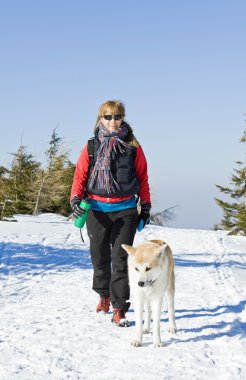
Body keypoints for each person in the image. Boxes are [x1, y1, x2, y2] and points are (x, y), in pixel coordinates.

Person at [70, 100, 151, 327]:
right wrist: (76, 200)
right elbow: (80, 177)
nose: (113, 121)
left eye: (117, 116)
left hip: (125, 210)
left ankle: (119, 307)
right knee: (99, 257)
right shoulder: (92, 147)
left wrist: (145, 207)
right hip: (96, 209)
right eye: (108, 117)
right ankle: (103, 295)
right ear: (100, 118)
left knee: (121, 258)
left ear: (123, 117)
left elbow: (143, 178)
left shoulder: (133, 147)